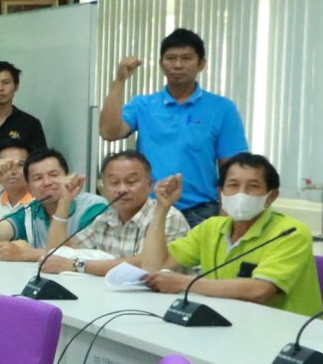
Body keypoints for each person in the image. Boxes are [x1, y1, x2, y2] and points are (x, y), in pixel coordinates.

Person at [129, 154, 322, 316]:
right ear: (220, 193)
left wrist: (183, 283)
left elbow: (260, 291)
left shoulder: (290, 232)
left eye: (253, 186)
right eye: (233, 185)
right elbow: (153, 266)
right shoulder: (211, 228)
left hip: (287, 335)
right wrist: (162, 207)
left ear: (271, 196)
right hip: (229, 323)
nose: (241, 194)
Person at [99, 28, 248, 226]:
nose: (178, 65)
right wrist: (119, 81)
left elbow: (232, 168)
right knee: (145, 259)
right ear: (162, 64)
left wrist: (227, 212)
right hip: (149, 209)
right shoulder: (143, 105)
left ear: (201, 64)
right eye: (171, 58)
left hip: (200, 212)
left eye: (186, 58)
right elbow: (109, 132)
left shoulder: (222, 108)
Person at [30, 151, 190, 276]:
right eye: (114, 182)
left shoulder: (168, 216)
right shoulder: (104, 218)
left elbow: (148, 264)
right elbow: (60, 252)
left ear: (149, 185)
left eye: (131, 182)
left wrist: (78, 265)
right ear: (104, 187)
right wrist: (65, 201)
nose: (122, 189)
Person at [0, 148, 109, 260]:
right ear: (29, 189)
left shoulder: (93, 207)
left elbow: (74, 254)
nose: (47, 182)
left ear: (68, 176)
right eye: (38, 178)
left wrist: (25, 254)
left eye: (53, 175)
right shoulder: (30, 211)